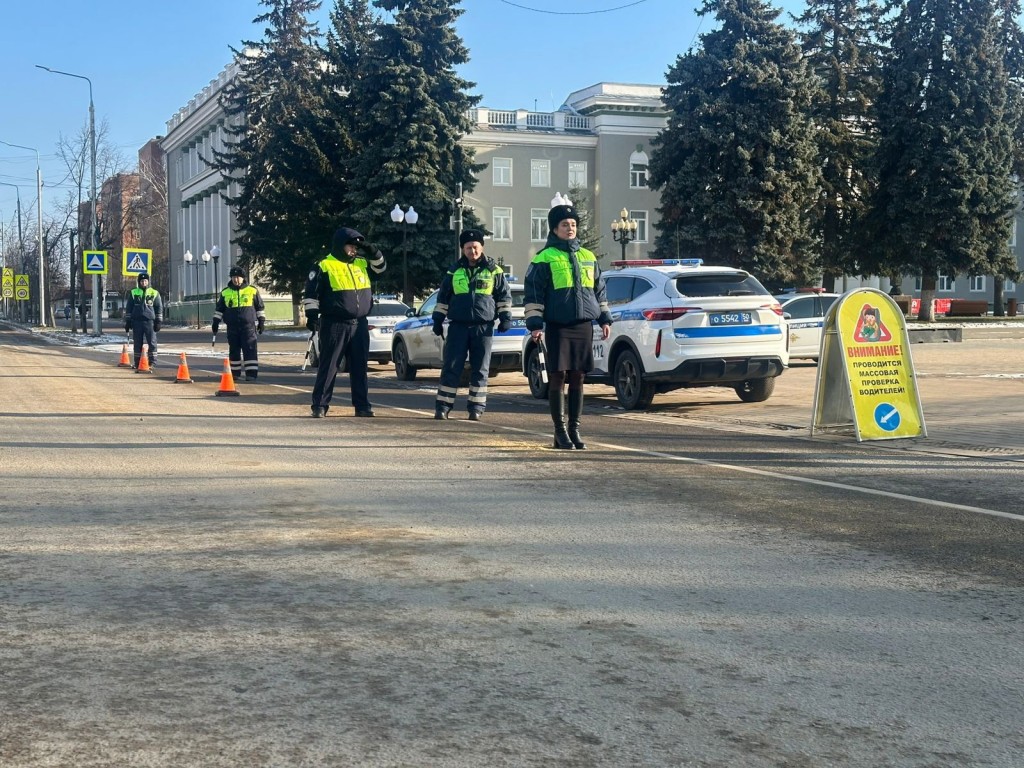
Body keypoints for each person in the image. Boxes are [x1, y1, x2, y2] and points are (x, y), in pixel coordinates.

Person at [524, 203, 612, 450]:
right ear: (554, 228)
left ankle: (574, 428)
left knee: (578, 376)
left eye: (573, 224)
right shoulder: (544, 258)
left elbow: (599, 291)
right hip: (558, 325)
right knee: (558, 375)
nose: (570, 228)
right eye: (565, 225)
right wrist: (535, 324)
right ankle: (559, 431)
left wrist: (604, 319)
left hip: (583, 324)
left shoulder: (588, 257)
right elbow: (534, 294)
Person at [302, 226, 387, 418]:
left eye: (356, 247)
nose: (354, 250)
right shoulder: (324, 265)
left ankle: (362, 406)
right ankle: (320, 405)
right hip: (335, 324)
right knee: (329, 365)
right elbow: (311, 294)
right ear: (340, 245)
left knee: (359, 367)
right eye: (351, 246)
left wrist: (373, 250)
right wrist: (312, 316)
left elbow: (381, 270)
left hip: (360, 324)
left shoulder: (362, 263)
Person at [431, 229, 512, 421]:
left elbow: (503, 296)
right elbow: (443, 298)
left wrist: (505, 317)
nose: (472, 251)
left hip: (483, 328)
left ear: (481, 247)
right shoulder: (454, 270)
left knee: (481, 369)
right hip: (458, 326)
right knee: (451, 367)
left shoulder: (494, 271)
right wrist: (437, 319)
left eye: (475, 247)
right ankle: (443, 406)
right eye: (468, 248)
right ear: (462, 249)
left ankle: (476, 407)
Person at [212, 266, 267, 381]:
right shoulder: (225, 292)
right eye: (233, 277)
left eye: (238, 277)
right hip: (232, 327)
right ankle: (235, 373)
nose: (236, 280)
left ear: (243, 278)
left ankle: (251, 374)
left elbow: (260, 307)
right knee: (234, 350)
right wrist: (215, 322)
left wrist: (261, 322)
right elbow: (219, 309)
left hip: (248, 327)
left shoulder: (252, 290)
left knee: (250, 349)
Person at [124, 271, 163, 369]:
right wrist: (128, 321)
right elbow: (129, 308)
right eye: (142, 281)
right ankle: (137, 363)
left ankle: (152, 362)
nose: (143, 283)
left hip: (150, 321)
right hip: (137, 321)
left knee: (152, 342)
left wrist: (158, 321)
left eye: (145, 281)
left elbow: (159, 307)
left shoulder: (154, 293)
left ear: (148, 282)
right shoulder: (133, 292)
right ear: (139, 282)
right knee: (137, 342)